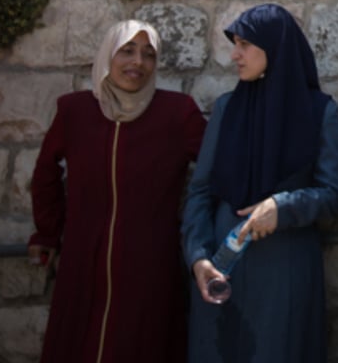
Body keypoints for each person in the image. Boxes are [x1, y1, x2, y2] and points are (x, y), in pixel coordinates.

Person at [28, 19, 206, 363]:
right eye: (127, 51)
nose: (138, 62)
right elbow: (45, 171)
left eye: (148, 54)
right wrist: (47, 233)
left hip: (149, 265)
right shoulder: (75, 111)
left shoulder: (177, 114)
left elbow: (217, 170)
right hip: (83, 260)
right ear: (108, 55)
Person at [182, 3, 338, 363]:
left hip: (284, 270)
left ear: (274, 48)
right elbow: (200, 192)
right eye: (235, 44)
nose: (235, 54)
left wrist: (283, 206)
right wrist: (197, 258)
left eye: (245, 45)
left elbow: (334, 195)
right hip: (223, 269)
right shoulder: (227, 109)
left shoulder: (320, 112)